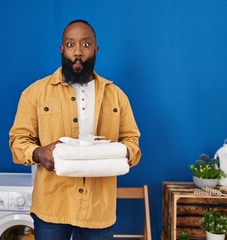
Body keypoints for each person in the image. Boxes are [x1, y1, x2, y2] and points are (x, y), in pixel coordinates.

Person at [9, 19, 141, 240]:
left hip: (99, 209)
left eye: (85, 45)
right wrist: (38, 153)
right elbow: (18, 141)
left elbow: (132, 141)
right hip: (52, 206)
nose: (78, 52)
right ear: (62, 49)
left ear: (96, 49)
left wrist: (121, 153)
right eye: (71, 45)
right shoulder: (34, 93)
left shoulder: (116, 96)